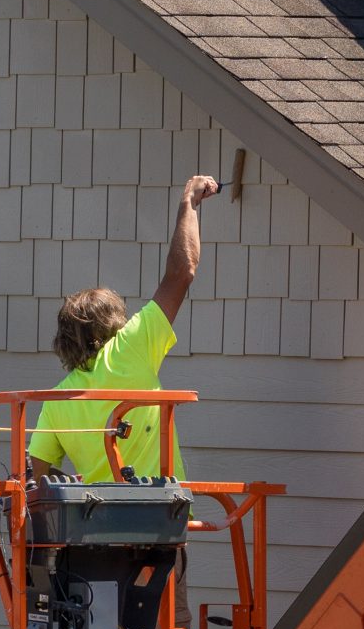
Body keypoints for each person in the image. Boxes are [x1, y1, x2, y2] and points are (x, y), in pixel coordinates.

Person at [28, 174, 220, 483]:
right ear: (115, 324)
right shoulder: (129, 348)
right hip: (157, 519)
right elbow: (181, 273)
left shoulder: (57, 399)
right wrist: (189, 202)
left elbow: (37, 474)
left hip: (93, 525)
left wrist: (76, 484)